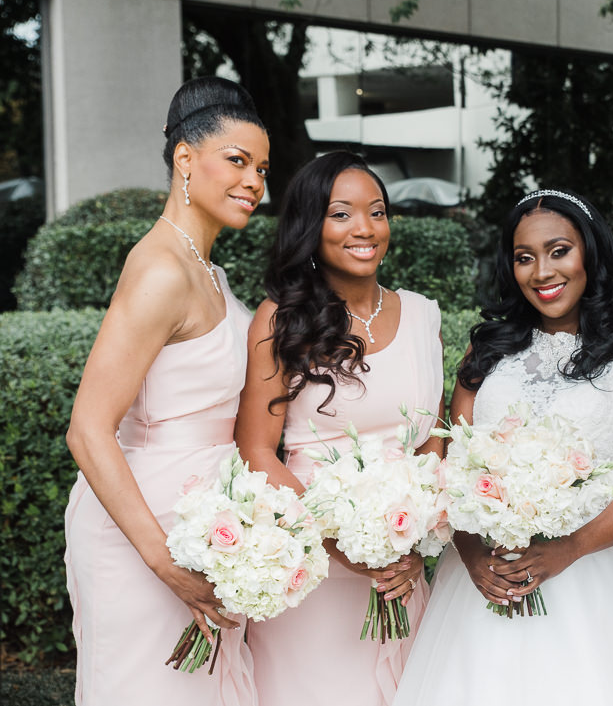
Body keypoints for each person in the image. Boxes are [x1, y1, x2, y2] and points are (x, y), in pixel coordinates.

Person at [392, 189, 613, 704]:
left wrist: (567, 550)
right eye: (524, 258)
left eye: (559, 251)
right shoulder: (485, 349)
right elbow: (451, 468)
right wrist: (471, 557)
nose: (542, 272)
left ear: (589, 254)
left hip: (605, 574)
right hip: (487, 575)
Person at [63, 77, 268, 705]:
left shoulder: (209, 271)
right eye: (237, 161)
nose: (255, 182)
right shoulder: (158, 268)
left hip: (207, 532)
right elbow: (88, 429)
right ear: (185, 157)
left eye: (262, 168)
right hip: (143, 536)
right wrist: (164, 563)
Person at [233, 151, 443, 706]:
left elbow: (431, 440)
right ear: (311, 226)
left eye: (377, 212)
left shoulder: (423, 314)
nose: (365, 229)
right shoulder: (281, 319)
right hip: (314, 565)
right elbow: (257, 450)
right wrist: (340, 543)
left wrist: (416, 537)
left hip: (402, 566)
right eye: (342, 214)